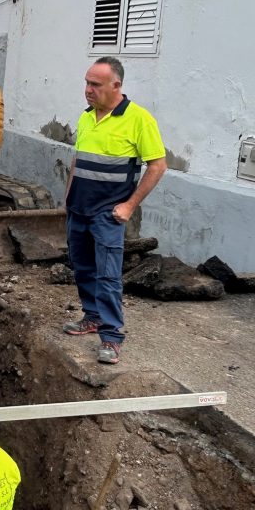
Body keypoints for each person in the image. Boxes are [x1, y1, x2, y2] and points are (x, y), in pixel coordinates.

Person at [62, 56, 167, 365]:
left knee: (108, 276)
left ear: (116, 85)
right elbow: (77, 162)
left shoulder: (138, 119)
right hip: (78, 210)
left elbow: (158, 165)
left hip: (107, 214)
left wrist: (129, 206)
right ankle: (91, 317)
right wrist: (67, 199)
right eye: (86, 83)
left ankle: (111, 337)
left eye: (95, 84)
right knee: (82, 267)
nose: (88, 90)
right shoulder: (86, 117)